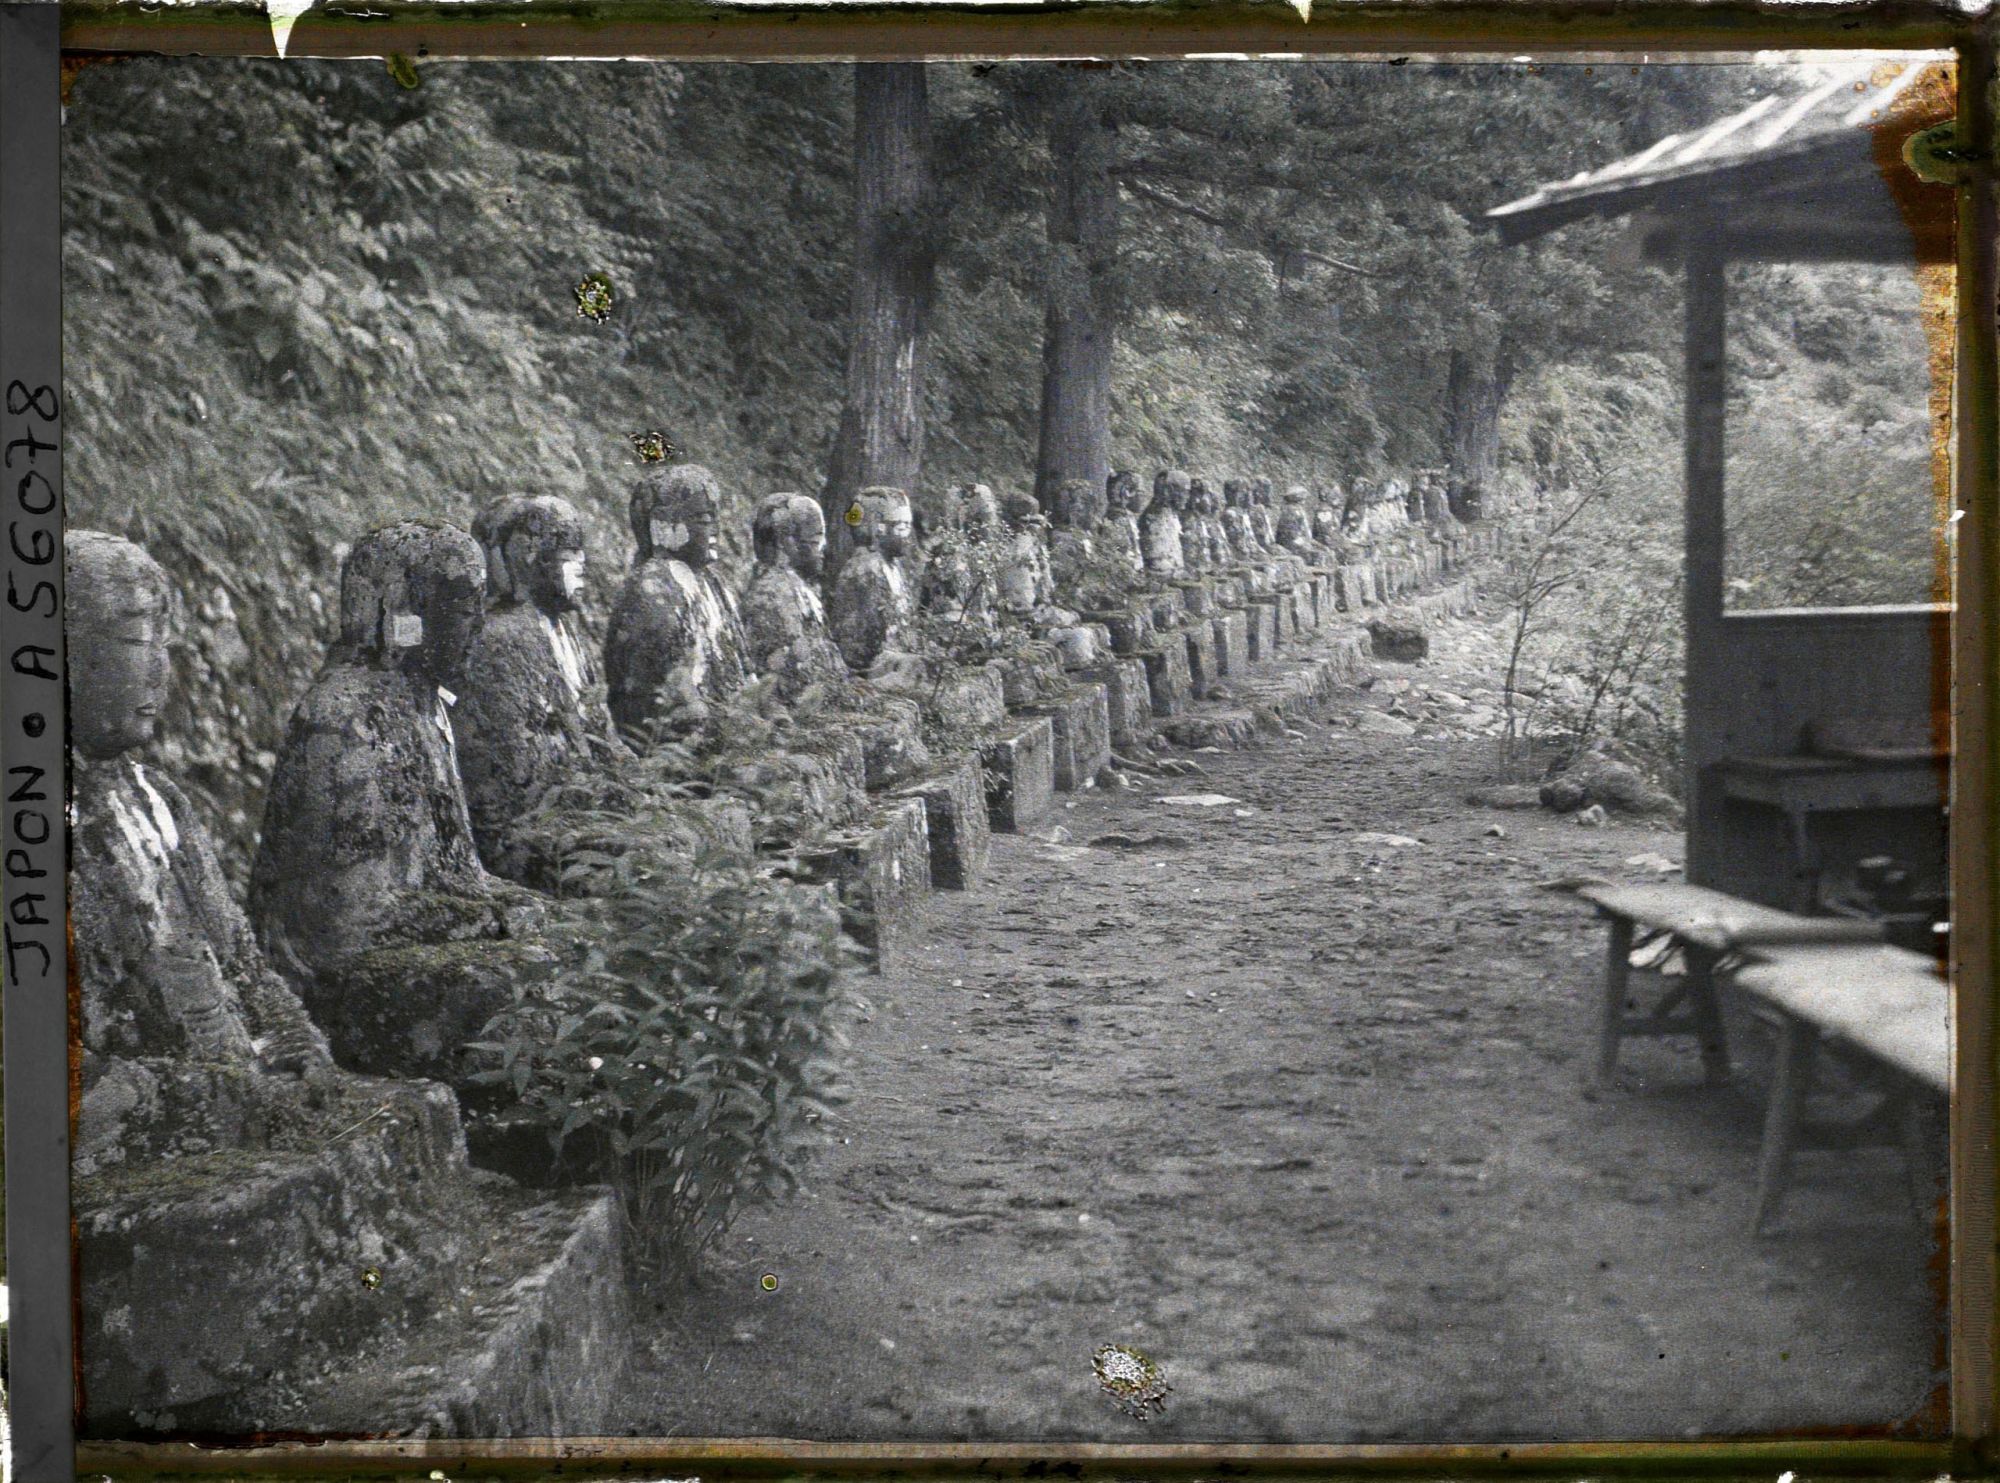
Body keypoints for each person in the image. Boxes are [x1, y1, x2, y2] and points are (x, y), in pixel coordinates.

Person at [603, 462, 752, 744]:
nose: (715, 529)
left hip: (724, 725)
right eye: (704, 519)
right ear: (663, 523)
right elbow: (657, 697)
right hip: (678, 742)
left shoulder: (713, 584)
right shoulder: (652, 590)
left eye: (715, 518)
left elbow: (742, 666)